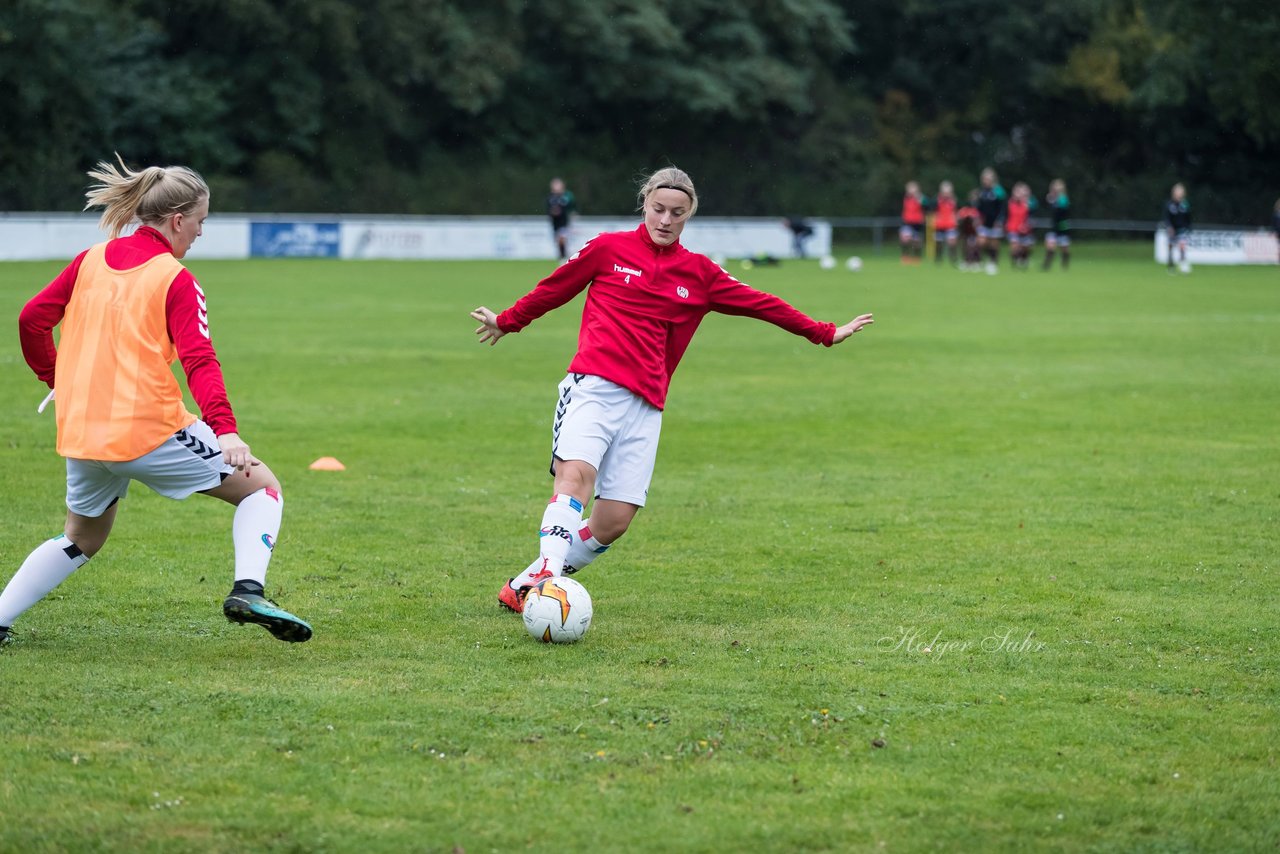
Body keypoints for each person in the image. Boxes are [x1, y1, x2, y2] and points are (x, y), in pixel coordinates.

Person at [470, 166, 874, 614]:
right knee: (576, 479)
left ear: (689, 215)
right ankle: (548, 576)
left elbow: (763, 304)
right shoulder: (607, 249)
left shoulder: (700, 274)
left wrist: (823, 332)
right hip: (593, 388)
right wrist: (508, 321)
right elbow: (555, 288)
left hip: (645, 407)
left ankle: (526, 583)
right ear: (644, 203)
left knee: (613, 521)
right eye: (658, 209)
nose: (665, 220)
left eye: (677, 213)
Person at [0, 155, 311, 648]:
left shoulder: (90, 259)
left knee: (81, 538)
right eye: (202, 223)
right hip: (147, 429)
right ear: (177, 220)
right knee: (262, 490)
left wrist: (56, 380)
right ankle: (248, 590)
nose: (201, 234)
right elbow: (200, 360)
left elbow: (30, 320)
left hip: (83, 429)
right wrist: (225, 430)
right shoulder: (175, 278)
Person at [976, 168, 1007, 275]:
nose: (986, 181)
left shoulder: (999, 191)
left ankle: (993, 263)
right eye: (984, 178)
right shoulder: (982, 192)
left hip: (996, 222)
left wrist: (1000, 220)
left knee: (994, 243)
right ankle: (980, 261)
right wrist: (978, 218)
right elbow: (979, 207)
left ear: (993, 179)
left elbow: (1003, 207)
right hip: (984, 222)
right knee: (981, 242)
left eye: (988, 178)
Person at [1005, 182, 1037, 269]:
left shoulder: (1028, 204)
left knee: (1026, 247)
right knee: (1015, 246)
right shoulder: (1010, 203)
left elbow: (1031, 215)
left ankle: (1024, 259)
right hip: (1013, 229)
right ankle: (1015, 261)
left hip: (1025, 230)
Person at [1042, 179, 1072, 271]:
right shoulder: (1051, 198)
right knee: (1050, 245)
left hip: (1063, 225)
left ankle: (1064, 263)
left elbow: (1061, 211)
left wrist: (1054, 201)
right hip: (1054, 226)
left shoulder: (1063, 199)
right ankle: (1046, 265)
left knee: (1064, 247)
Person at [1163, 183, 1192, 273]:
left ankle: (1183, 264)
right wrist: (1169, 227)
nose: (1179, 193)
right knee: (1171, 247)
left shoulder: (1185, 204)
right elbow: (1166, 218)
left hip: (1182, 229)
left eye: (1181, 191)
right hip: (1172, 230)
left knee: (1182, 246)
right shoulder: (1169, 204)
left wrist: (1189, 227)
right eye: (1178, 191)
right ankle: (1171, 266)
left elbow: (1188, 218)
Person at [547, 177, 576, 262]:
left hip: (564, 222)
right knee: (559, 240)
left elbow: (571, 207)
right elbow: (549, 210)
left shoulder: (566, 196)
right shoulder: (550, 198)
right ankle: (562, 256)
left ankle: (563, 257)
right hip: (555, 223)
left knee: (562, 239)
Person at [932, 181, 959, 266]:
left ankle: (953, 258)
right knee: (938, 243)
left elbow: (956, 211)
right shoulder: (937, 200)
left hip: (950, 225)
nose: (946, 194)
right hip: (939, 225)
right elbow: (932, 209)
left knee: (952, 242)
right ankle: (938, 258)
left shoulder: (953, 201)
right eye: (944, 192)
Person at [899, 181, 926, 264]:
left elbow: (928, 205)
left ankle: (916, 257)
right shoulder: (906, 198)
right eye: (910, 188)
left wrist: (919, 199)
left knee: (916, 241)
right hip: (907, 222)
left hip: (917, 223)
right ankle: (905, 256)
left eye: (913, 188)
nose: (911, 190)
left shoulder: (920, 198)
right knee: (905, 238)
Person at [957, 190, 981, 271]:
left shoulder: (979, 209)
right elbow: (959, 218)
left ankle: (976, 261)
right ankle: (967, 261)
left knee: (974, 247)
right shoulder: (965, 209)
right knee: (966, 246)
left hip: (975, 232)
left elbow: (979, 220)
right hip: (966, 232)